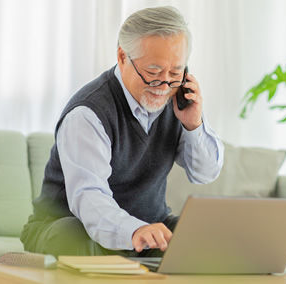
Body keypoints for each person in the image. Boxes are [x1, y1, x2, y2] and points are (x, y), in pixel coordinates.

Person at [20, 6, 224, 257]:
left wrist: (193, 125)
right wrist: (134, 231)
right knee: (75, 238)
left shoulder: (177, 100)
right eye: (153, 72)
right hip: (74, 227)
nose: (163, 85)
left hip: (148, 228)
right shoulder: (88, 113)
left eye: (175, 72)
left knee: (207, 238)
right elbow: (89, 196)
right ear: (122, 57)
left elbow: (204, 173)